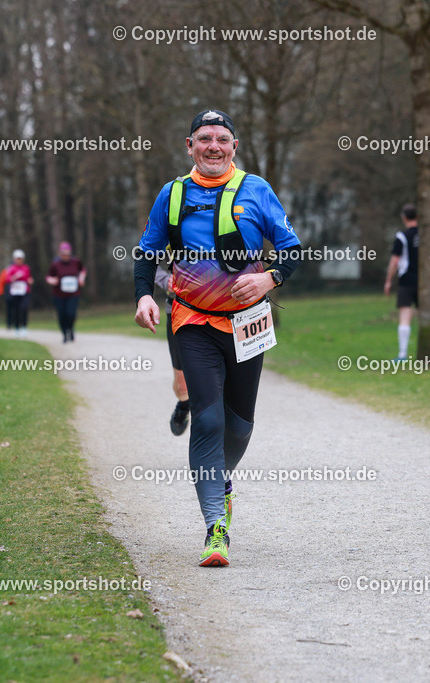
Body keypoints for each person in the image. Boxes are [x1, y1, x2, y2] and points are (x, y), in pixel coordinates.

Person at [134, 109, 301, 567]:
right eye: (203, 138)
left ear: (234, 146)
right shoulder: (172, 195)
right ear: (189, 146)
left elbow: (291, 250)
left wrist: (270, 279)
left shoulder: (256, 190)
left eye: (221, 138)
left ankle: (219, 481)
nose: (213, 146)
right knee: (206, 421)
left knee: (240, 428)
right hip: (194, 321)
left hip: (247, 326)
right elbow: (146, 253)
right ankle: (215, 528)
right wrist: (144, 297)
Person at [156, 264, 191, 436]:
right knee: (182, 386)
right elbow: (145, 256)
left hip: (223, 310)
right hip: (179, 309)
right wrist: (166, 280)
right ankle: (184, 405)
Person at [383, 203, 419, 360]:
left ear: (404, 218)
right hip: (424, 282)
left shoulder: (401, 237)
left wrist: (388, 281)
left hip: (406, 280)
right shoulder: (426, 235)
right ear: (417, 216)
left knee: (405, 316)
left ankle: (403, 354)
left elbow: (394, 261)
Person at [46, 242, 86, 342]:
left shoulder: (76, 262)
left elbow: (82, 270)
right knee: (62, 314)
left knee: (71, 313)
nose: (65, 256)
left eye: (67, 254)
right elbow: (48, 276)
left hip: (73, 294)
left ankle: (70, 329)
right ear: (60, 254)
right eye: (63, 254)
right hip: (59, 294)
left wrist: (81, 278)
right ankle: (64, 333)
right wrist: (52, 280)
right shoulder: (55, 264)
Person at [3, 249, 33, 337]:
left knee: (24, 308)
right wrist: (14, 277)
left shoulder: (26, 268)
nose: (19, 260)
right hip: (15, 292)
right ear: (14, 259)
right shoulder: (11, 269)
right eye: (17, 259)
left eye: (20, 259)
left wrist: (30, 281)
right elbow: (7, 279)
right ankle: (17, 328)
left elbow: (29, 278)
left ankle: (24, 327)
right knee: (16, 310)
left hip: (24, 291)